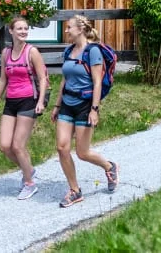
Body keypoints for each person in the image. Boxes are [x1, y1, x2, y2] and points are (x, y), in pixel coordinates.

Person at [50, 15, 119, 208]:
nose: (66, 31)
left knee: (82, 152)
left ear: (80, 29)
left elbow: (97, 82)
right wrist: (56, 105)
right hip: (67, 103)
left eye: (69, 27)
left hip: (85, 105)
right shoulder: (69, 51)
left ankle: (109, 166)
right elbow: (64, 80)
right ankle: (75, 190)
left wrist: (94, 110)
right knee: (62, 147)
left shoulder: (93, 51)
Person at [0, 16, 48, 200]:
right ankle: (28, 169)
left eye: (25, 28)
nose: (23, 31)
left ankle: (29, 183)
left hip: (28, 100)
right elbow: (3, 79)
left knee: (18, 146)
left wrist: (40, 101)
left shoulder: (32, 52)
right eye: (19, 29)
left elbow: (43, 77)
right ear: (11, 31)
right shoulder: (6, 53)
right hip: (11, 102)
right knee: (5, 146)